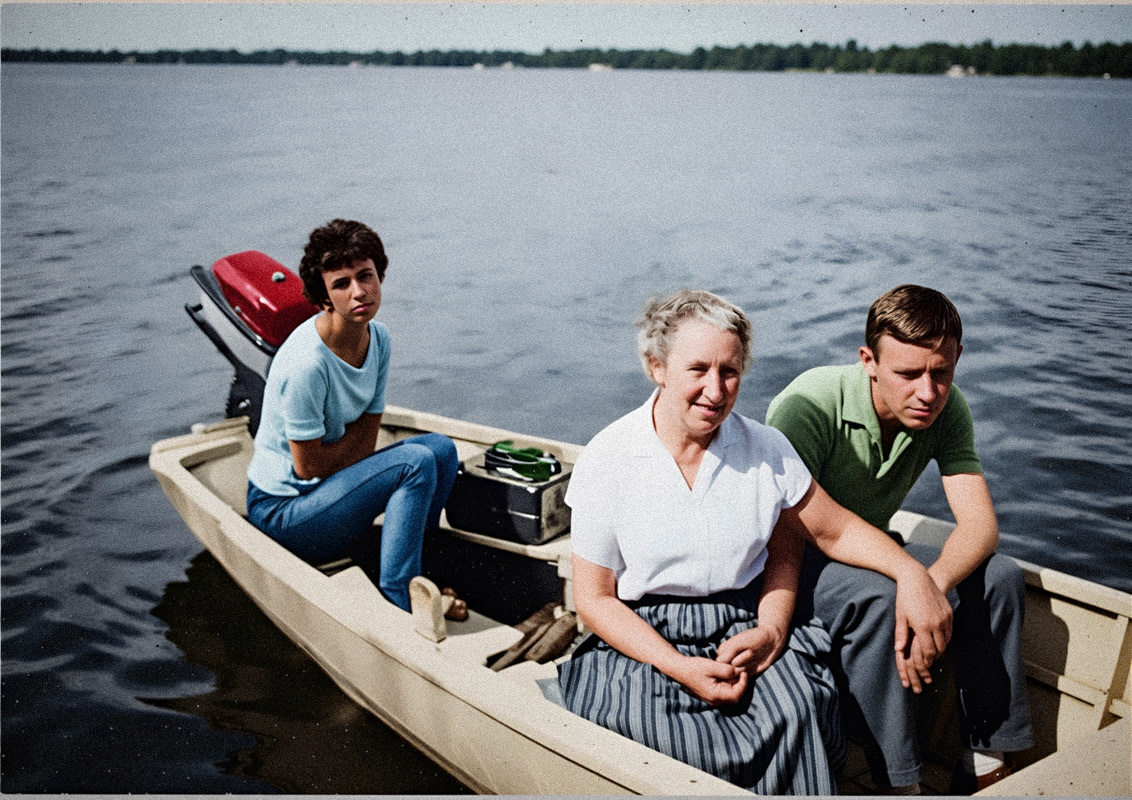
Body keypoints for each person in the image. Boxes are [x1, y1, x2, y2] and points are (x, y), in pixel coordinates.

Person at [557, 289, 953, 795]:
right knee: (663, 736)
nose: (715, 390)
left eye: (730, 371)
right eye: (697, 369)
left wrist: (909, 573)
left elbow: (833, 530)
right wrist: (678, 666)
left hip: (743, 624)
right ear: (657, 368)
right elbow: (595, 600)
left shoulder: (766, 449)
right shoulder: (608, 458)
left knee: (799, 713)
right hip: (643, 634)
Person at [766, 284, 1034, 794]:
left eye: (941, 372)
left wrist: (932, 584)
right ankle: (899, 782)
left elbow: (980, 527)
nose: (928, 393)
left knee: (999, 577)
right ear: (868, 361)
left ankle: (984, 761)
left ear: (957, 359)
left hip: (870, 550)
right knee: (884, 597)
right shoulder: (809, 406)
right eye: (908, 374)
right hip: (791, 560)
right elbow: (806, 530)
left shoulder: (947, 408)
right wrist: (910, 580)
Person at [245, 219, 458, 612]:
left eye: (366, 276)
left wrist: (354, 456)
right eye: (341, 284)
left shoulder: (379, 339)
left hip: (328, 491)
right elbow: (307, 467)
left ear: (380, 276)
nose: (359, 292)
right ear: (325, 298)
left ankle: (424, 576)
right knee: (415, 463)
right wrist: (357, 454)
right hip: (284, 512)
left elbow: (367, 440)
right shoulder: (307, 364)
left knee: (441, 451)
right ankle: (399, 601)